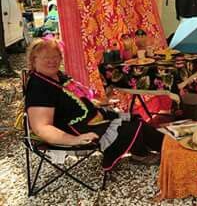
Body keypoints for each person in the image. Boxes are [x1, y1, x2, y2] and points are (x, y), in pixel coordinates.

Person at [24, 37, 164, 171]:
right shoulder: (39, 87)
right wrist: (75, 140)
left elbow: (77, 100)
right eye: (45, 58)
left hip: (91, 119)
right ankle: (152, 152)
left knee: (135, 119)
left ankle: (169, 148)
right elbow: (41, 127)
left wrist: (101, 103)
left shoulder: (58, 76)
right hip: (76, 130)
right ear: (33, 60)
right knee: (131, 127)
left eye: (55, 56)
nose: (52, 61)